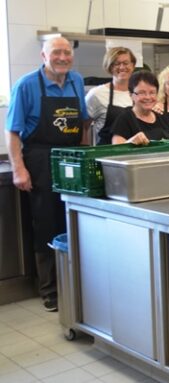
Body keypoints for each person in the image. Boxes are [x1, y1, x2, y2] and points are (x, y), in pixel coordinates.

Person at [5, 37, 89, 312]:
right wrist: (19, 168)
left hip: (72, 158)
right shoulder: (27, 84)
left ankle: (74, 282)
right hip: (40, 159)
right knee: (46, 222)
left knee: (72, 220)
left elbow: (84, 122)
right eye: (56, 52)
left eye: (67, 52)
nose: (62, 57)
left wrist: (85, 154)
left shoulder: (76, 80)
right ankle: (49, 289)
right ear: (44, 55)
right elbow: (13, 132)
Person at [85, 46, 136, 145]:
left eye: (126, 63)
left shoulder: (139, 94)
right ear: (110, 66)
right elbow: (83, 127)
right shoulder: (97, 94)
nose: (122, 67)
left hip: (136, 156)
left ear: (133, 65)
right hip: (106, 156)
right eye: (116, 64)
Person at [111, 71, 169, 144]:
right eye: (141, 93)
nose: (148, 97)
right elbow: (117, 150)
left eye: (152, 92)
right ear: (131, 95)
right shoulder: (124, 119)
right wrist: (130, 142)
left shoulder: (162, 117)